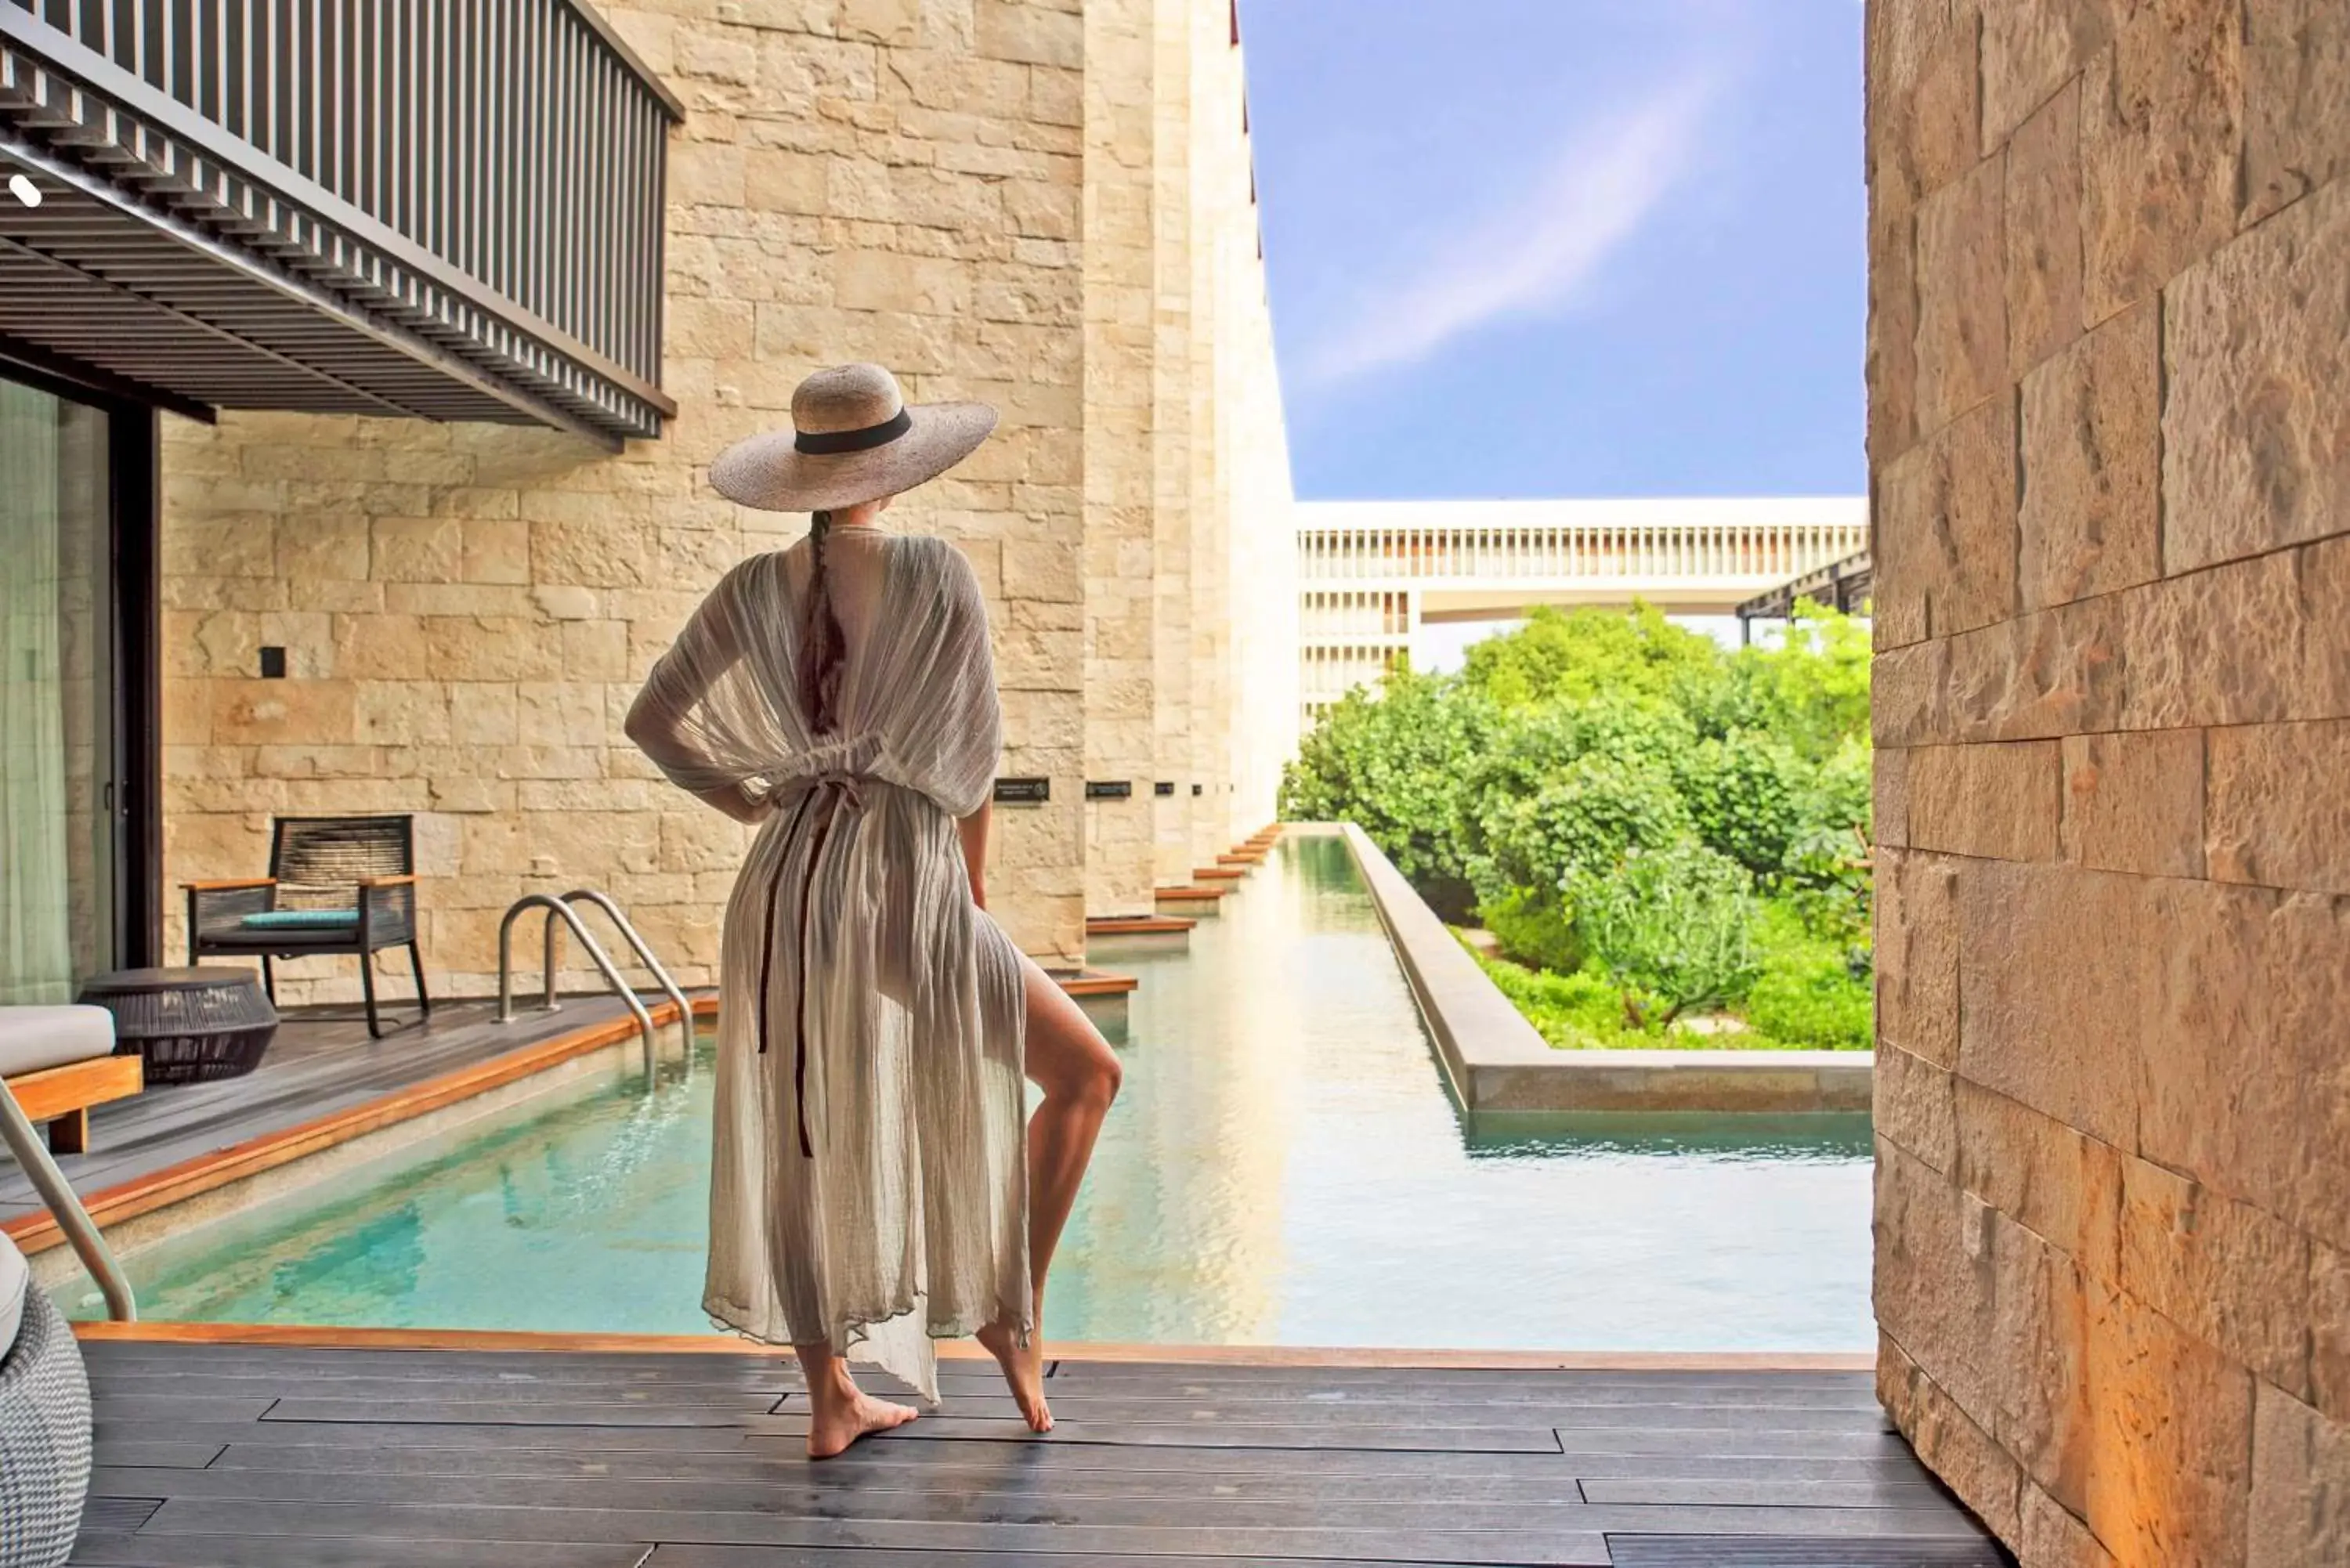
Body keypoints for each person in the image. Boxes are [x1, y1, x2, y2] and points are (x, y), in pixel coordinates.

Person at [624, 363, 1122, 1458]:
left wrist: (752, 796)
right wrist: (971, 897)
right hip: (902, 877)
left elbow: (652, 721)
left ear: (803, 478)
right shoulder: (934, 572)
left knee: (803, 1126)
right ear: (889, 477)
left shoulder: (749, 590)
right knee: (1087, 1074)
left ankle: (831, 1397)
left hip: (784, 887)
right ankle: (1009, 1307)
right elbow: (974, 760)